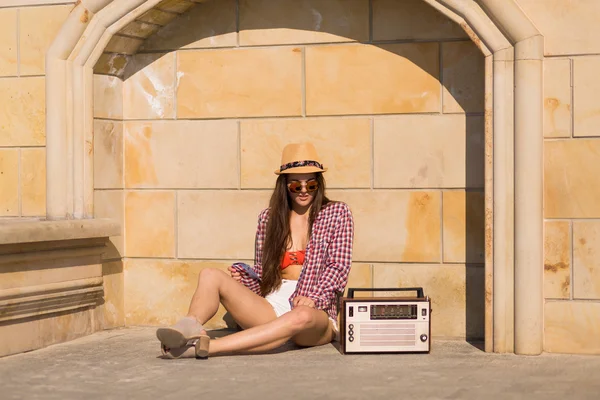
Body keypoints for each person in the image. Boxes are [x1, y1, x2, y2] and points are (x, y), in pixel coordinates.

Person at [156, 142, 354, 358]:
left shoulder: (337, 213)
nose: (304, 191)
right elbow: (264, 272)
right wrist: (246, 277)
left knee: (301, 315)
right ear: (285, 186)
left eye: (311, 185)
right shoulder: (268, 218)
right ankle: (189, 326)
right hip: (272, 305)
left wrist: (313, 297)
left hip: (315, 312)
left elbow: (338, 267)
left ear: (319, 184)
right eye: (296, 186)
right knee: (209, 275)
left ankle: (207, 348)